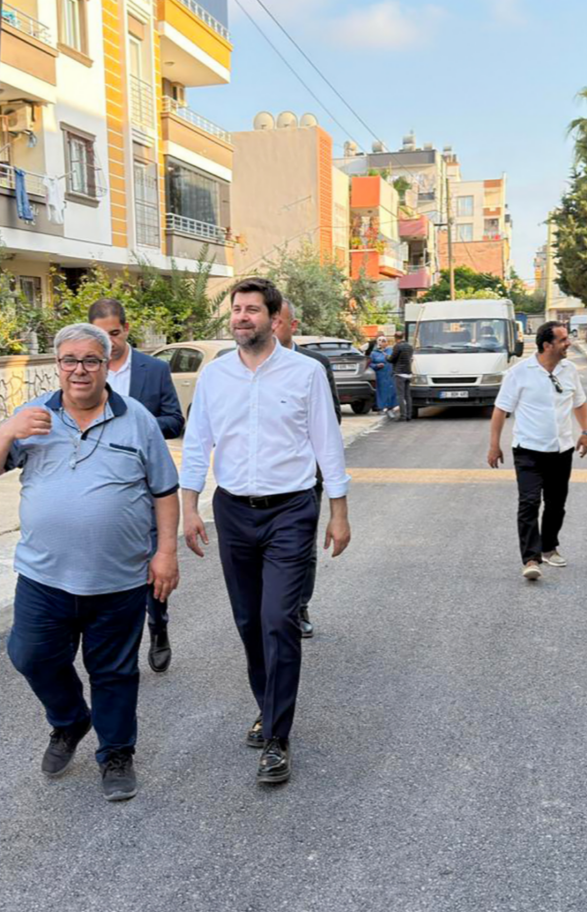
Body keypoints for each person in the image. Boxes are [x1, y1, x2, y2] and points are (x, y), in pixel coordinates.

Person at [0, 323, 178, 802]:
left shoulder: (138, 420)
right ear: (57, 365)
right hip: (45, 577)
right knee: (30, 656)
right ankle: (69, 721)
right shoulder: (33, 415)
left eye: (90, 361)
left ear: (108, 366)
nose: (79, 370)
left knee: (114, 673)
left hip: (120, 579)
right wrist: (8, 430)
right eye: (69, 360)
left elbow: (164, 491)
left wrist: (165, 552)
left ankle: (116, 753)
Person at [179, 277, 353, 786]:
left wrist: (338, 511)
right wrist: (190, 507)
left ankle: (277, 737)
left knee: (279, 619)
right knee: (249, 623)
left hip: (291, 511)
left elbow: (328, 444)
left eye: (252, 310)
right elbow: (197, 444)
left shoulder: (304, 373)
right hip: (232, 510)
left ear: (273, 318)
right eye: (236, 310)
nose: (241, 318)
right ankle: (267, 706)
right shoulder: (214, 377)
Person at [87, 299, 185, 673]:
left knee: (149, 559)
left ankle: (158, 625)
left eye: (114, 333)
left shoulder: (154, 369)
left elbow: (174, 420)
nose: (108, 342)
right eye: (101, 335)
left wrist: (136, 430)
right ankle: (115, 643)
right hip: (97, 483)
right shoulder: (85, 367)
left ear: (126, 329)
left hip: (144, 484)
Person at [486, 321, 587, 581]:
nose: (569, 343)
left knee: (556, 505)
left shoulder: (570, 370)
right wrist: (494, 445)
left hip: (562, 449)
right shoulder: (519, 373)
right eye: (563, 339)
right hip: (528, 451)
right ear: (547, 345)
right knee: (529, 502)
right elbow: (501, 410)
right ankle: (531, 558)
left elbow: (579, 402)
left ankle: (548, 548)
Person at [269, 304, 337, 639]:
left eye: (277, 320)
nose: (271, 326)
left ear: (291, 325)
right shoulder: (243, 363)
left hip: (306, 477)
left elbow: (330, 420)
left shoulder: (315, 365)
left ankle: (299, 607)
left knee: (302, 547)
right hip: (263, 479)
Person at [368, 337, 398, 418]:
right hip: (380, 375)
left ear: (387, 342)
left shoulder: (391, 351)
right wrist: (376, 365)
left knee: (392, 391)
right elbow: (370, 364)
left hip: (391, 374)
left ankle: (390, 408)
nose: (381, 342)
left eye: (383, 341)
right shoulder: (373, 353)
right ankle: (381, 408)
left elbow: (396, 360)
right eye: (379, 341)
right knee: (381, 392)